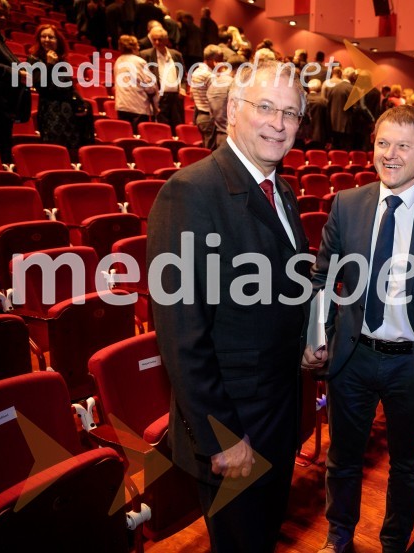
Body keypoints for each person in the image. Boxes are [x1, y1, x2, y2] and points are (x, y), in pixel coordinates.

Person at [147, 59, 311, 553]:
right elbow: (181, 334)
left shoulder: (281, 189)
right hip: (233, 425)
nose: (279, 125)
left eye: (291, 114)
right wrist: (220, 436)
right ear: (233, 111)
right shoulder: (191, 192)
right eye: (266, 108)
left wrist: (308, 344)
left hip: (278, 416)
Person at [304, 105, 414, 553]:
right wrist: (318, 339)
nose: (390, 154)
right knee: (342, 460)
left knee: (406, 463)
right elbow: (322, 279)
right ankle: (338, 537)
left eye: (403, 145)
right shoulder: (347, 204)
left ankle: (394, 543)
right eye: (383, 143)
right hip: (353, 357)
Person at [27, 24, 94, 158]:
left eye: (51, 37)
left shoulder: (62, 60)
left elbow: (69, 86)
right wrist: (50, 64)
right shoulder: (34, 60)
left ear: (57, 40)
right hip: (51, 109)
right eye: (43, 36)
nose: (46, 40)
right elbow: (40, 85)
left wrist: (80, 103)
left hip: (68, 109)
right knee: (55, 149)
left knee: (73, 149)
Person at [0, 0, 31, 164]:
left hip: (3, 104)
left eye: (5, 15)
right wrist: (16, 73)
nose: (2, 17)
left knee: (3, 151)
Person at [139, 25, 185, 133]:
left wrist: (182, 88)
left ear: (166, 40)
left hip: (176, 97)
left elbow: (183, 76)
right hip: (159, 97)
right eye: (154, 39)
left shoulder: (176, 55)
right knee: (162, 128)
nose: (157, 43)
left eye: (160, 39)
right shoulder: (146, 55)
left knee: (178, 127)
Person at [113, 34, 156, 133]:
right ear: (133, 47)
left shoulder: (118, 61)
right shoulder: (139, 61)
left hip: (122, 105)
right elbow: (149, 86)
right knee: (138, 136)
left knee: (125, 135)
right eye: (137, 45)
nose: (139, 47)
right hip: (138, 105)